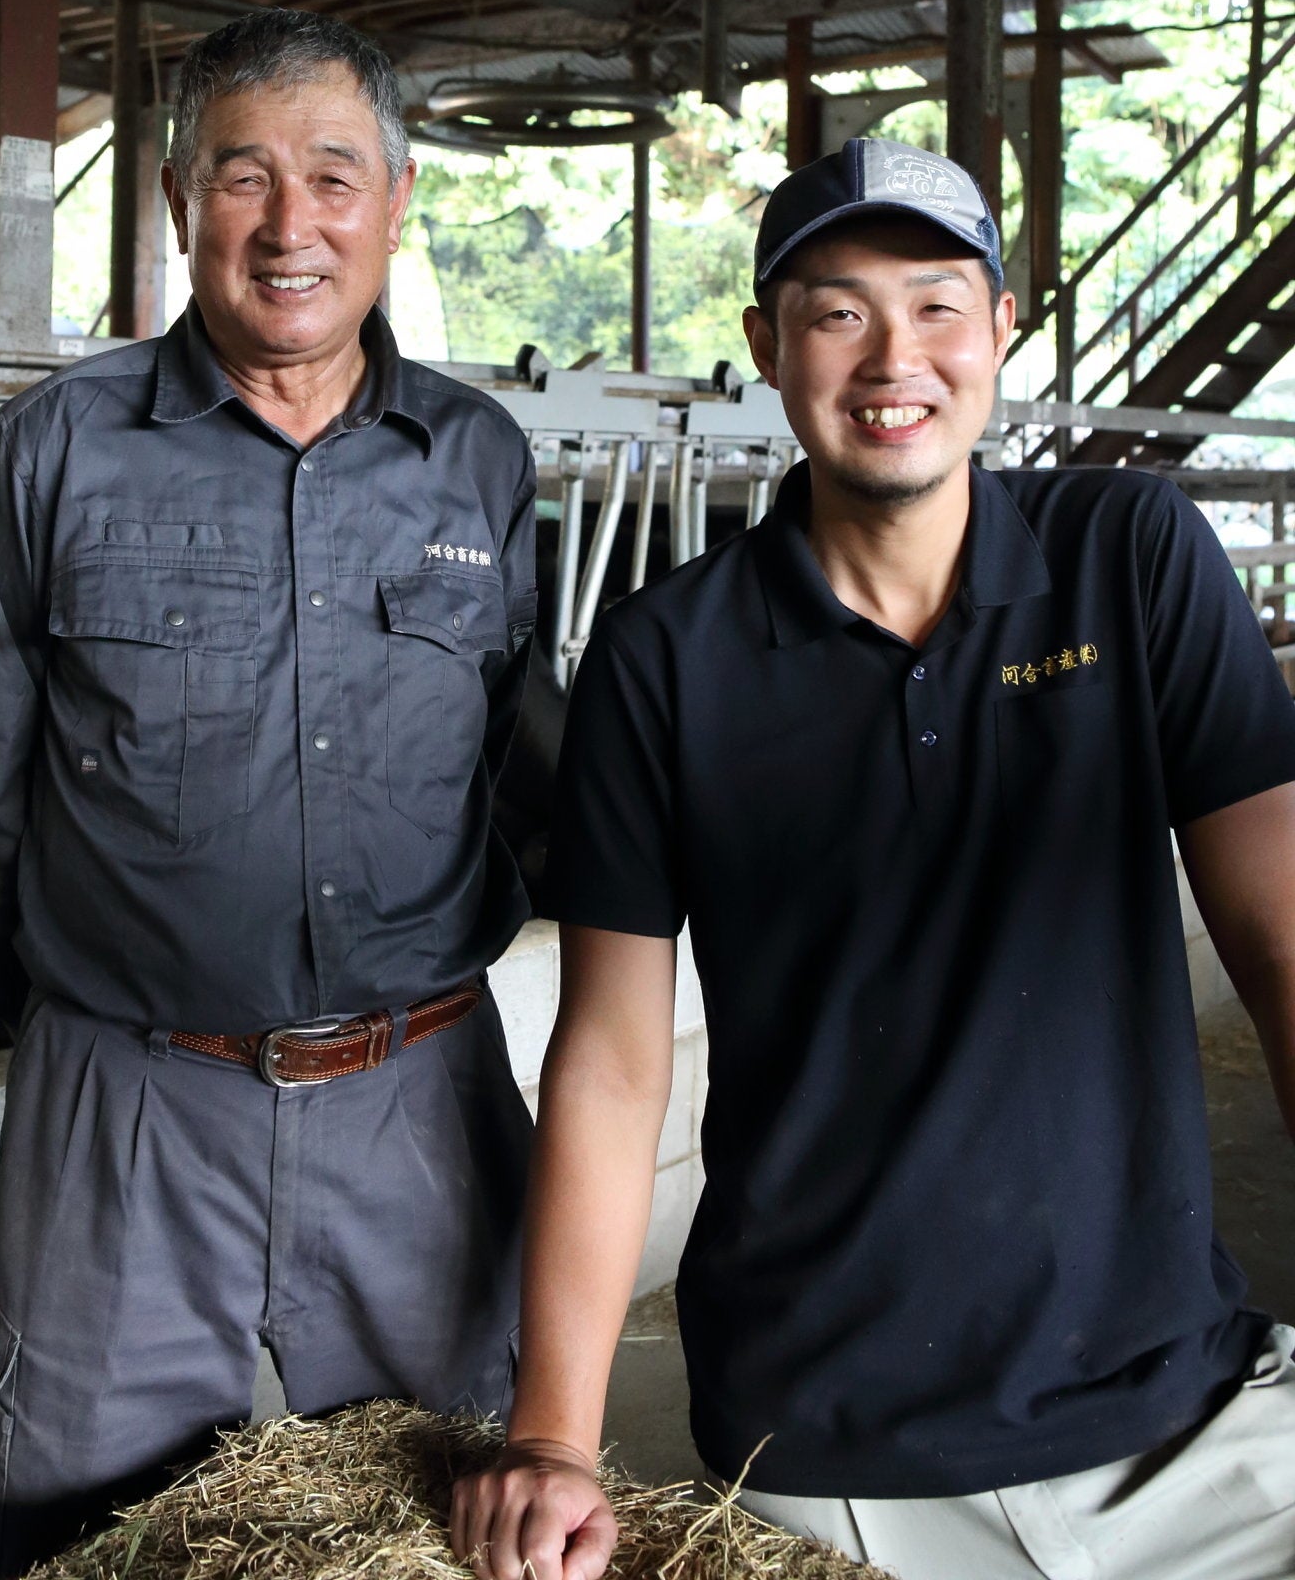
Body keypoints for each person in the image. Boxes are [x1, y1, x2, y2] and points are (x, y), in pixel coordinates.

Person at [453, 137, 1295, 1580]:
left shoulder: (1133, 558)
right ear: (767, 347)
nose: (892, 356)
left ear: (1000, 331)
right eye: (838, 312)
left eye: (936, 306)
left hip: (1186, 1421)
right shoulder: (669, 656)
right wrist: (553, 1440)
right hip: (830, 1455)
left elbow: (1283, 942)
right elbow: (607, 1063)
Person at [0, 9, 538, 1579]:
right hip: (128, 1097)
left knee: (456, 1511)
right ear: (177, 199)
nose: (292, 224)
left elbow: (524, 767)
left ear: (395, 203)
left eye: (335, 176)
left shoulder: (478, 459)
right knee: (83, 1530)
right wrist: (105, 1036)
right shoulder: (52, 451)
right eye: (243, 176)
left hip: (424, 1099)